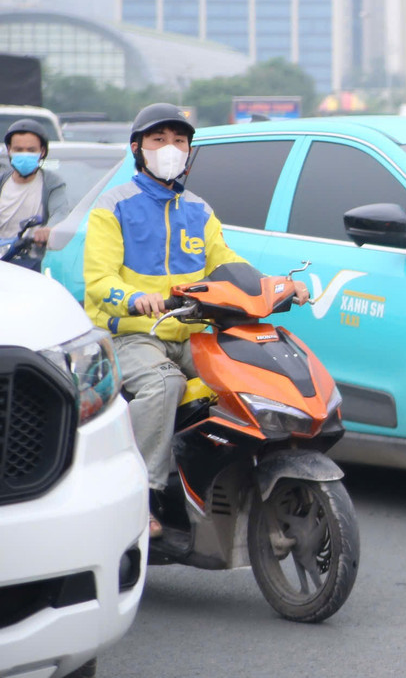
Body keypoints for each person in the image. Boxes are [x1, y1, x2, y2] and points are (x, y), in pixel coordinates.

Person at [83, 103, 306, 537]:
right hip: (131, 335)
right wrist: (135, 299)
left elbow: (229, 264)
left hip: (189, 335)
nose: (170, 148)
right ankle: (141, 496)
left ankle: (213, 482)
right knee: (165, 384)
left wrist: (277, 286)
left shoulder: (199, 210)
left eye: (179, 141)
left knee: (241, 378)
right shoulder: (113, 206)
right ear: (137, 148)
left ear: (189, 151)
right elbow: (98, 281)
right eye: (159, 139)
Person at [0, 118, 69, 271]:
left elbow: (60, 212)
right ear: (9, 150)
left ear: (42, 151)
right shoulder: (2, 182)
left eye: (31, 150)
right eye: (18, 150)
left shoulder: (52, 183)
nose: (24, 154)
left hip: (34, 262)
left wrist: (48, 230)